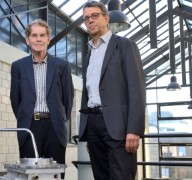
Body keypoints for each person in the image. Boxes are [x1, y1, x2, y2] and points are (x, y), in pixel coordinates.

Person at [78, 1, 146, 180]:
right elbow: (88, 93)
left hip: (119, 127)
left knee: (121, 176)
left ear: (106, 18)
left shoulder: (125, 46)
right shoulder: (88, 54)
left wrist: (134, 129)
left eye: (94, 16)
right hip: (94, 125)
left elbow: (137, 89)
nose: (90, 21)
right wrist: (88, 131)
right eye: (86, 18)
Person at [10, 19, 74, 179]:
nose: (38, 39)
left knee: (55, 175)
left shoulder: (62, 65)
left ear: (48, 39)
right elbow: (15, 99)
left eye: (42, 35)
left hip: (55, 128)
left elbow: (68, 99)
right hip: (29, 127)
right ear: (27, 40)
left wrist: (59, 119)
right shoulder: (18, 66)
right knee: (31, 175)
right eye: (34, 35)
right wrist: (25, 117)